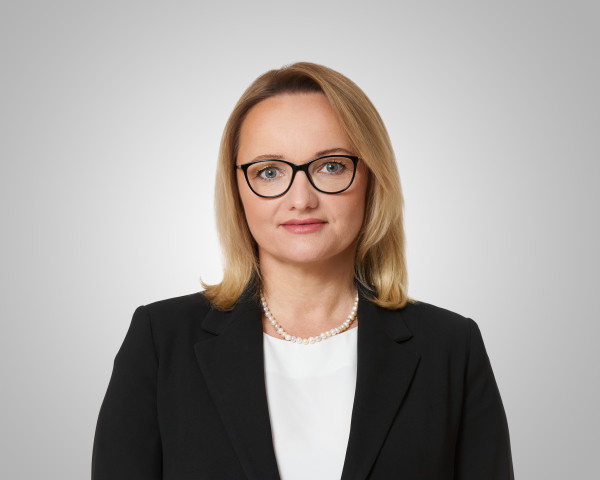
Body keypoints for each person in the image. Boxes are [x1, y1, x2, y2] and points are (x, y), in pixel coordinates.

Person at [92, 62, 515, 479]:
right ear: (236, 189)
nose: (301, 199)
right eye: (269, 172)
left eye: (331, 166)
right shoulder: (161, 341)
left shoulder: (451, 347)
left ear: (372, 177)